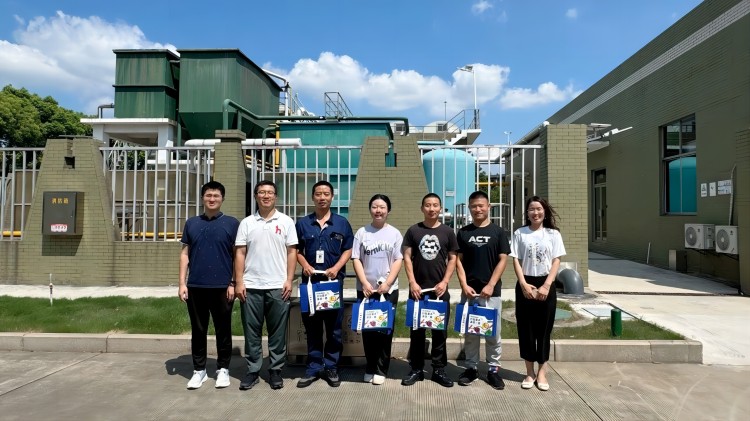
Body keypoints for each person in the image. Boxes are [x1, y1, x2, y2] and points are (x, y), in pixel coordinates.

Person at [234, 181, 298, 390]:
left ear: (275, 197)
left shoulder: (286, 222)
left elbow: (292, 252)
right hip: (251, 286)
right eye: (261, 192)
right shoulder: (247, 223)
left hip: (278, 286)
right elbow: (240, 253)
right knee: (251, 331)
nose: (266, 196)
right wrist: (239, 281)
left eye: (270, 192)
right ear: (256, 196)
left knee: (277, 332)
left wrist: (289, 279)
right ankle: (252, 370)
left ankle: (275, 370)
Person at [178, 181, 240, 390]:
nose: (212, 199)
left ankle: (223, 369)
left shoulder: (232, 224)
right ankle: (199, 370)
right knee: (198, 329)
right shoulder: (192, 223)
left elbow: (237, 256)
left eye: (216, 196)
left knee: (223, 329)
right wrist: (182, 283)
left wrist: (233, 282)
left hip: (223, 286)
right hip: (196, 285)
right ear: (203, 198)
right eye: (208, 195)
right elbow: (185, 255)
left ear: (222, 199)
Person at [295, 180, 354, 388]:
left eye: (326, 194)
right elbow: (296, 250)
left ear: (332, 197)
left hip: (332, 284)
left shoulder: (342, 223)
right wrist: (305, 265)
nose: (322, 197)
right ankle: (313, 368)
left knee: (333, 329)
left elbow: (348, 249)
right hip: (311, 284)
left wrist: (337, 267)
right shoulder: (303, 223)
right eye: (318, 194)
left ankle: (331, 366)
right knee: (312, 328)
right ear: (313, 197)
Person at [401, 193, 459, 388]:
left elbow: (453, 258)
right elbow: (407, 257)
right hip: (418, 290)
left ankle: (439, 369)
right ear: (422, 208)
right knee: (417, 332)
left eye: (435, 205)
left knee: (439, 333)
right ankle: (416, 369)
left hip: (439, 291)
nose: (431, 208)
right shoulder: (413, 230)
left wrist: (445, 281)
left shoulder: (448, 232)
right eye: (428, 205)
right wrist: (412, 282)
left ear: (440, 208)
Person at [510, 195, 566, 392]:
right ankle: (529, 372)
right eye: (532, 209)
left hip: (545, 283)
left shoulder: (553, 234)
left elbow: (556, 260)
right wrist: (523, 284)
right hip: (525, 283)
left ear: (545, 212)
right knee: (526, 329)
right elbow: (516, 259)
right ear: (527, 213)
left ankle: (542, 371)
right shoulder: (520, 233)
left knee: (543, 330)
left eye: (539, 209)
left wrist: (547, 285)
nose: (536, 212)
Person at [455, 190, 510, 390]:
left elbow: (503, 259)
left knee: (493, 333)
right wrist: (464, 285)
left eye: (481, 205)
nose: (477, 209)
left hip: (491, 292)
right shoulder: (463, 232)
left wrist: (491, 284)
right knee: (471, 333)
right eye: (474, 206)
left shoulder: (498, 232)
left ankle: (493, 369)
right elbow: (457, 261)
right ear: (469, 208)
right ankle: (471, 368)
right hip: (469, 291)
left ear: (488, 207)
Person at [351, 194, 403, 386]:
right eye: (374, 207)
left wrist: (388, 283)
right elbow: (356, 258)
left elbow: (398, 260)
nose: (378, 210)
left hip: (387, 291)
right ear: (370, 209)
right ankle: (370, 366)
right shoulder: (362, 232)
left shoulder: (395, 234)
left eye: (382, 207)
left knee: (384, 330)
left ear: (388, 210)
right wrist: (364, 283)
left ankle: (381, 369)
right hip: (366, 290)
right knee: (368, 330)